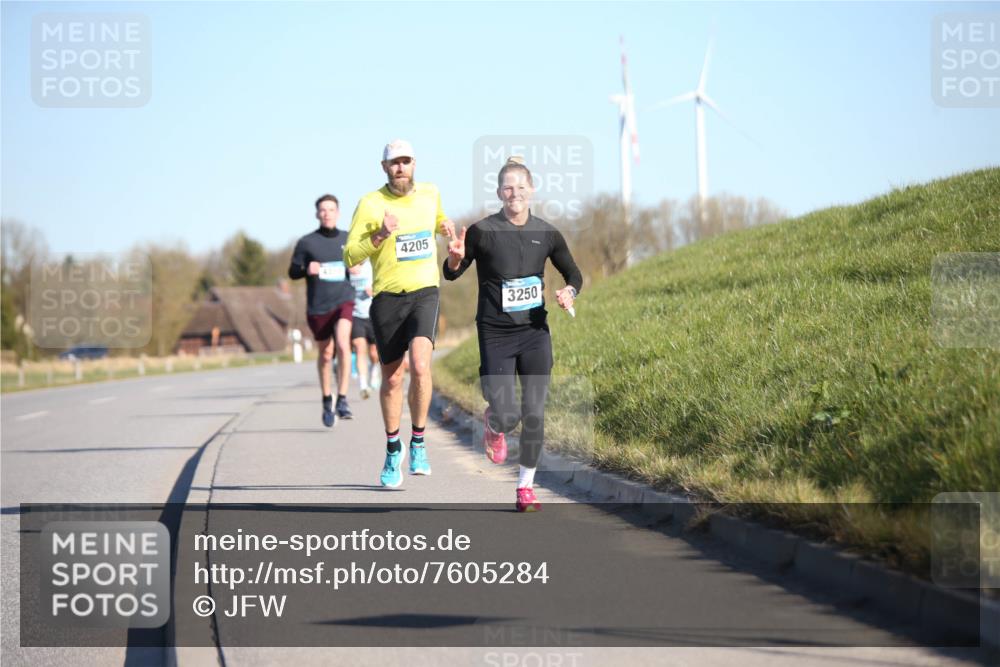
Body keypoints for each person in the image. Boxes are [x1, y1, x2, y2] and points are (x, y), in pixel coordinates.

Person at [443, 157, 582, 512]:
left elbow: (574, 275)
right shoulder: (481, 232)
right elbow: (452, 274)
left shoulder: (547, 233)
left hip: (535, 333)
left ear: (531, 190)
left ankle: (525, 488)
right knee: (508, 414)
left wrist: (569, 292)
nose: (514, 193)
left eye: (521, 186)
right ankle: (495, 420)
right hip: (495, 334)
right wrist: (456, 259)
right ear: (499, 192)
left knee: (535, 413)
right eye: (508, 187)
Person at [344, 139, 455, 487]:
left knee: (421, 366)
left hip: (425, 292)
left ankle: (418, 443)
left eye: (406, 161)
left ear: (415, 164)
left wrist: (446, 228)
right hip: (388, 298)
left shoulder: (430, 193)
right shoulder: (370, 203)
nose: (400, 168)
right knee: (392, 378)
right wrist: (379, 235)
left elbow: (437, 219)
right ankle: (394, 448)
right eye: (394, 162)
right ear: (384, 167)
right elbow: (350, 255)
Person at [289, 194, 355, 427]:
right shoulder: (307, 243)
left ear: (338, 213)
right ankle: (328, 398)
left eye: (331, 209)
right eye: (323, 210)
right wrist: (307, 268)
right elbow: (293, 272)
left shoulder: (349, 238)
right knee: (326, 354)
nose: (327, 213)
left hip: (344, 300)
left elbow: (360, 264)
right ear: (317, 214)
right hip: (318, 306)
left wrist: (356, 268)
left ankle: (343, 399)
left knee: (344, 344)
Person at [348, 259, 381, 399]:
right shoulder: (348, 267)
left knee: (374, 353)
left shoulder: (372, 265)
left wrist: (375, 291)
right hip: (356, 315)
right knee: (359, 347)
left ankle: (374, 370)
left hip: (373, 314)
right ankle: (363, 385)